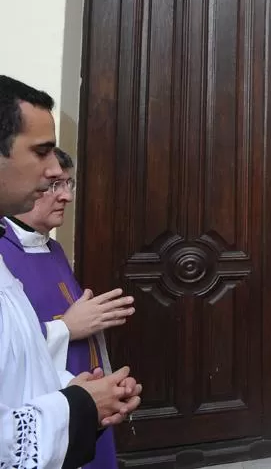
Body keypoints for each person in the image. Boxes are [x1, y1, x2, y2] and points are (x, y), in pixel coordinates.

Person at [0, 75, 142, 468]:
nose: (61, 188)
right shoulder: (6, 247)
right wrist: (67, 327)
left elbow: (17, 363)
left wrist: (85, 393)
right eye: (42, 153)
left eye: (67, 181)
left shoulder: (52, 248)